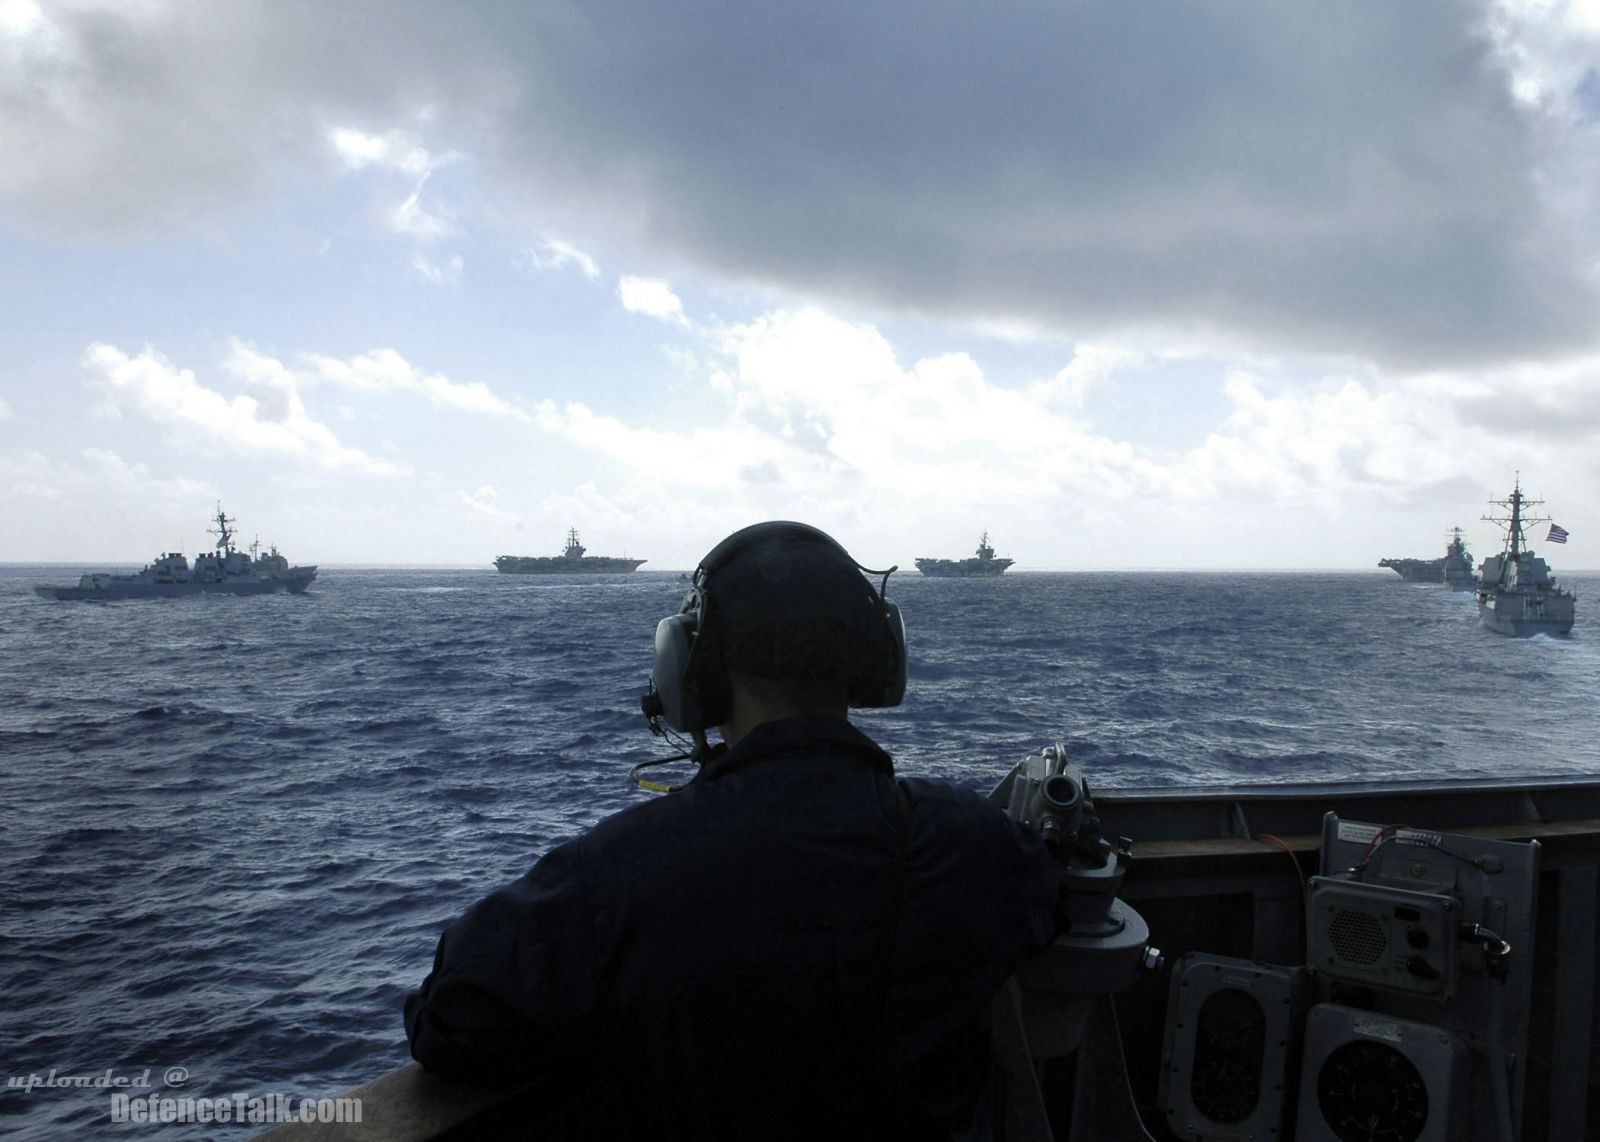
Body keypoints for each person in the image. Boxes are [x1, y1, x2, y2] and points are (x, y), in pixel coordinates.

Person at [404, 522, 1063, 1140]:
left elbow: (450, 1023)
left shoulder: (616, 871)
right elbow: (1049, 907)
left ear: (692, 674)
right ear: (879, 661)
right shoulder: (984, 845)